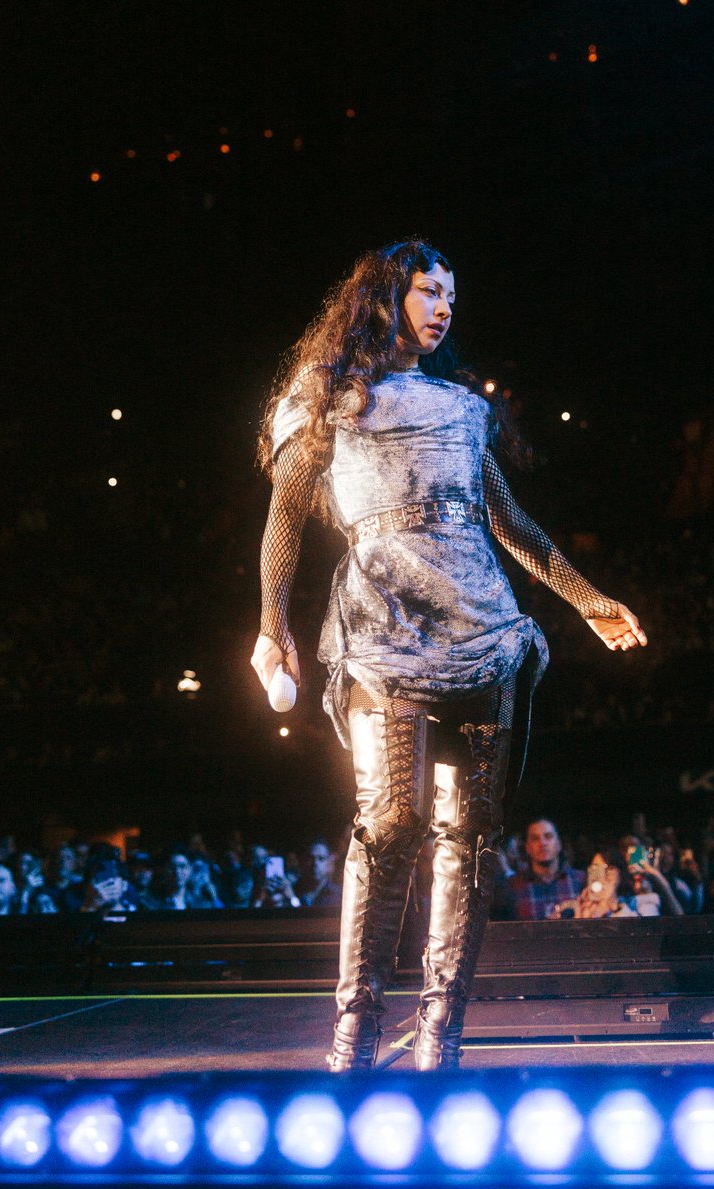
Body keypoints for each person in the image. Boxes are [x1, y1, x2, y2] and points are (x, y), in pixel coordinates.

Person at [250, 239, 646, 1071]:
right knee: (390, 823)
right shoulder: (324, 397)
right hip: (384, 627)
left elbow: (512, 524)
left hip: (483, 628)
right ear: (388, 294)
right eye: (430, 291)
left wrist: (585, 597)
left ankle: (442, 1041)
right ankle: (353, 1040)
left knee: (468, 836)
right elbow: (286, 518)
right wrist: (272, 623)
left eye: (451, 300)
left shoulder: (461, 410)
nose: (442, 309)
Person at [493, 818, 586, 919]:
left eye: (548, 836)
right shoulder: (512, 887)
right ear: (528, 848)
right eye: (535, 838)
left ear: (559, 844)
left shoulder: (579, 880)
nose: (542, 843)